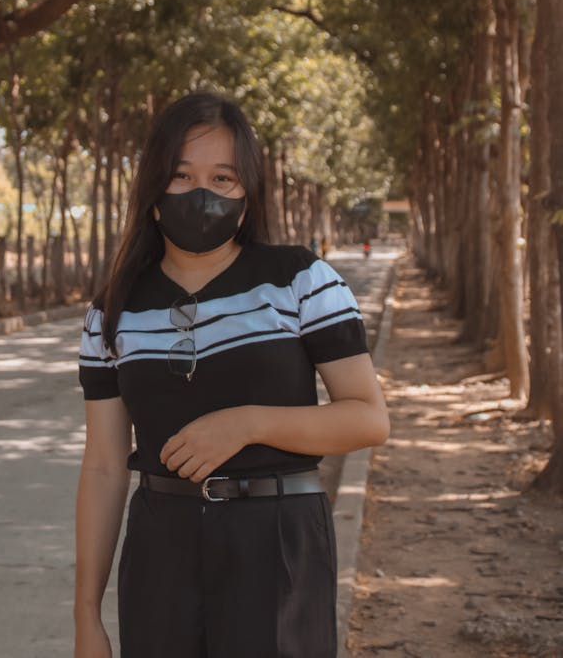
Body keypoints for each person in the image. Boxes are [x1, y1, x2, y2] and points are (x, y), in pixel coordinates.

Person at [75, 92, 389, 658]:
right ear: (153, 189)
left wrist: (246, 424)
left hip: (278, 541)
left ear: (247, 194)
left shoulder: (301, 280)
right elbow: (102, 468)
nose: (202, 194)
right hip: (159, 549)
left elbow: (368, 419)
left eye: (223, 178)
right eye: (182, 175)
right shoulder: (112, 311)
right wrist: (86, 616)